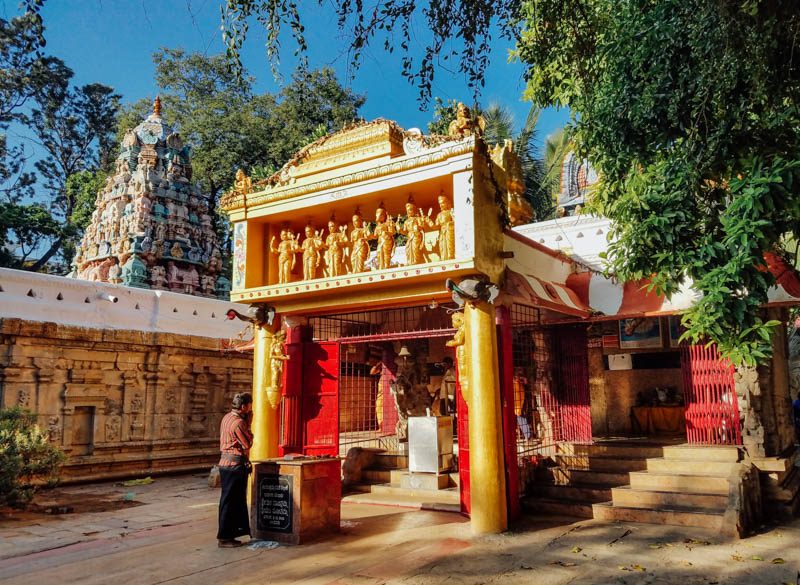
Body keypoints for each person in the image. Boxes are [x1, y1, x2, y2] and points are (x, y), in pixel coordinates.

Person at [217, 392, 253, 548]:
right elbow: (247, 444)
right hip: (234, 466)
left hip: (225, 463)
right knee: (231, 501)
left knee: (229, 500)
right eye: (249, 406)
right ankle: (225, 536)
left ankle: (230, 534)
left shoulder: (227, 418)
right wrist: (249, 425)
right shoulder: (238, 423)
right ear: (244, 406)